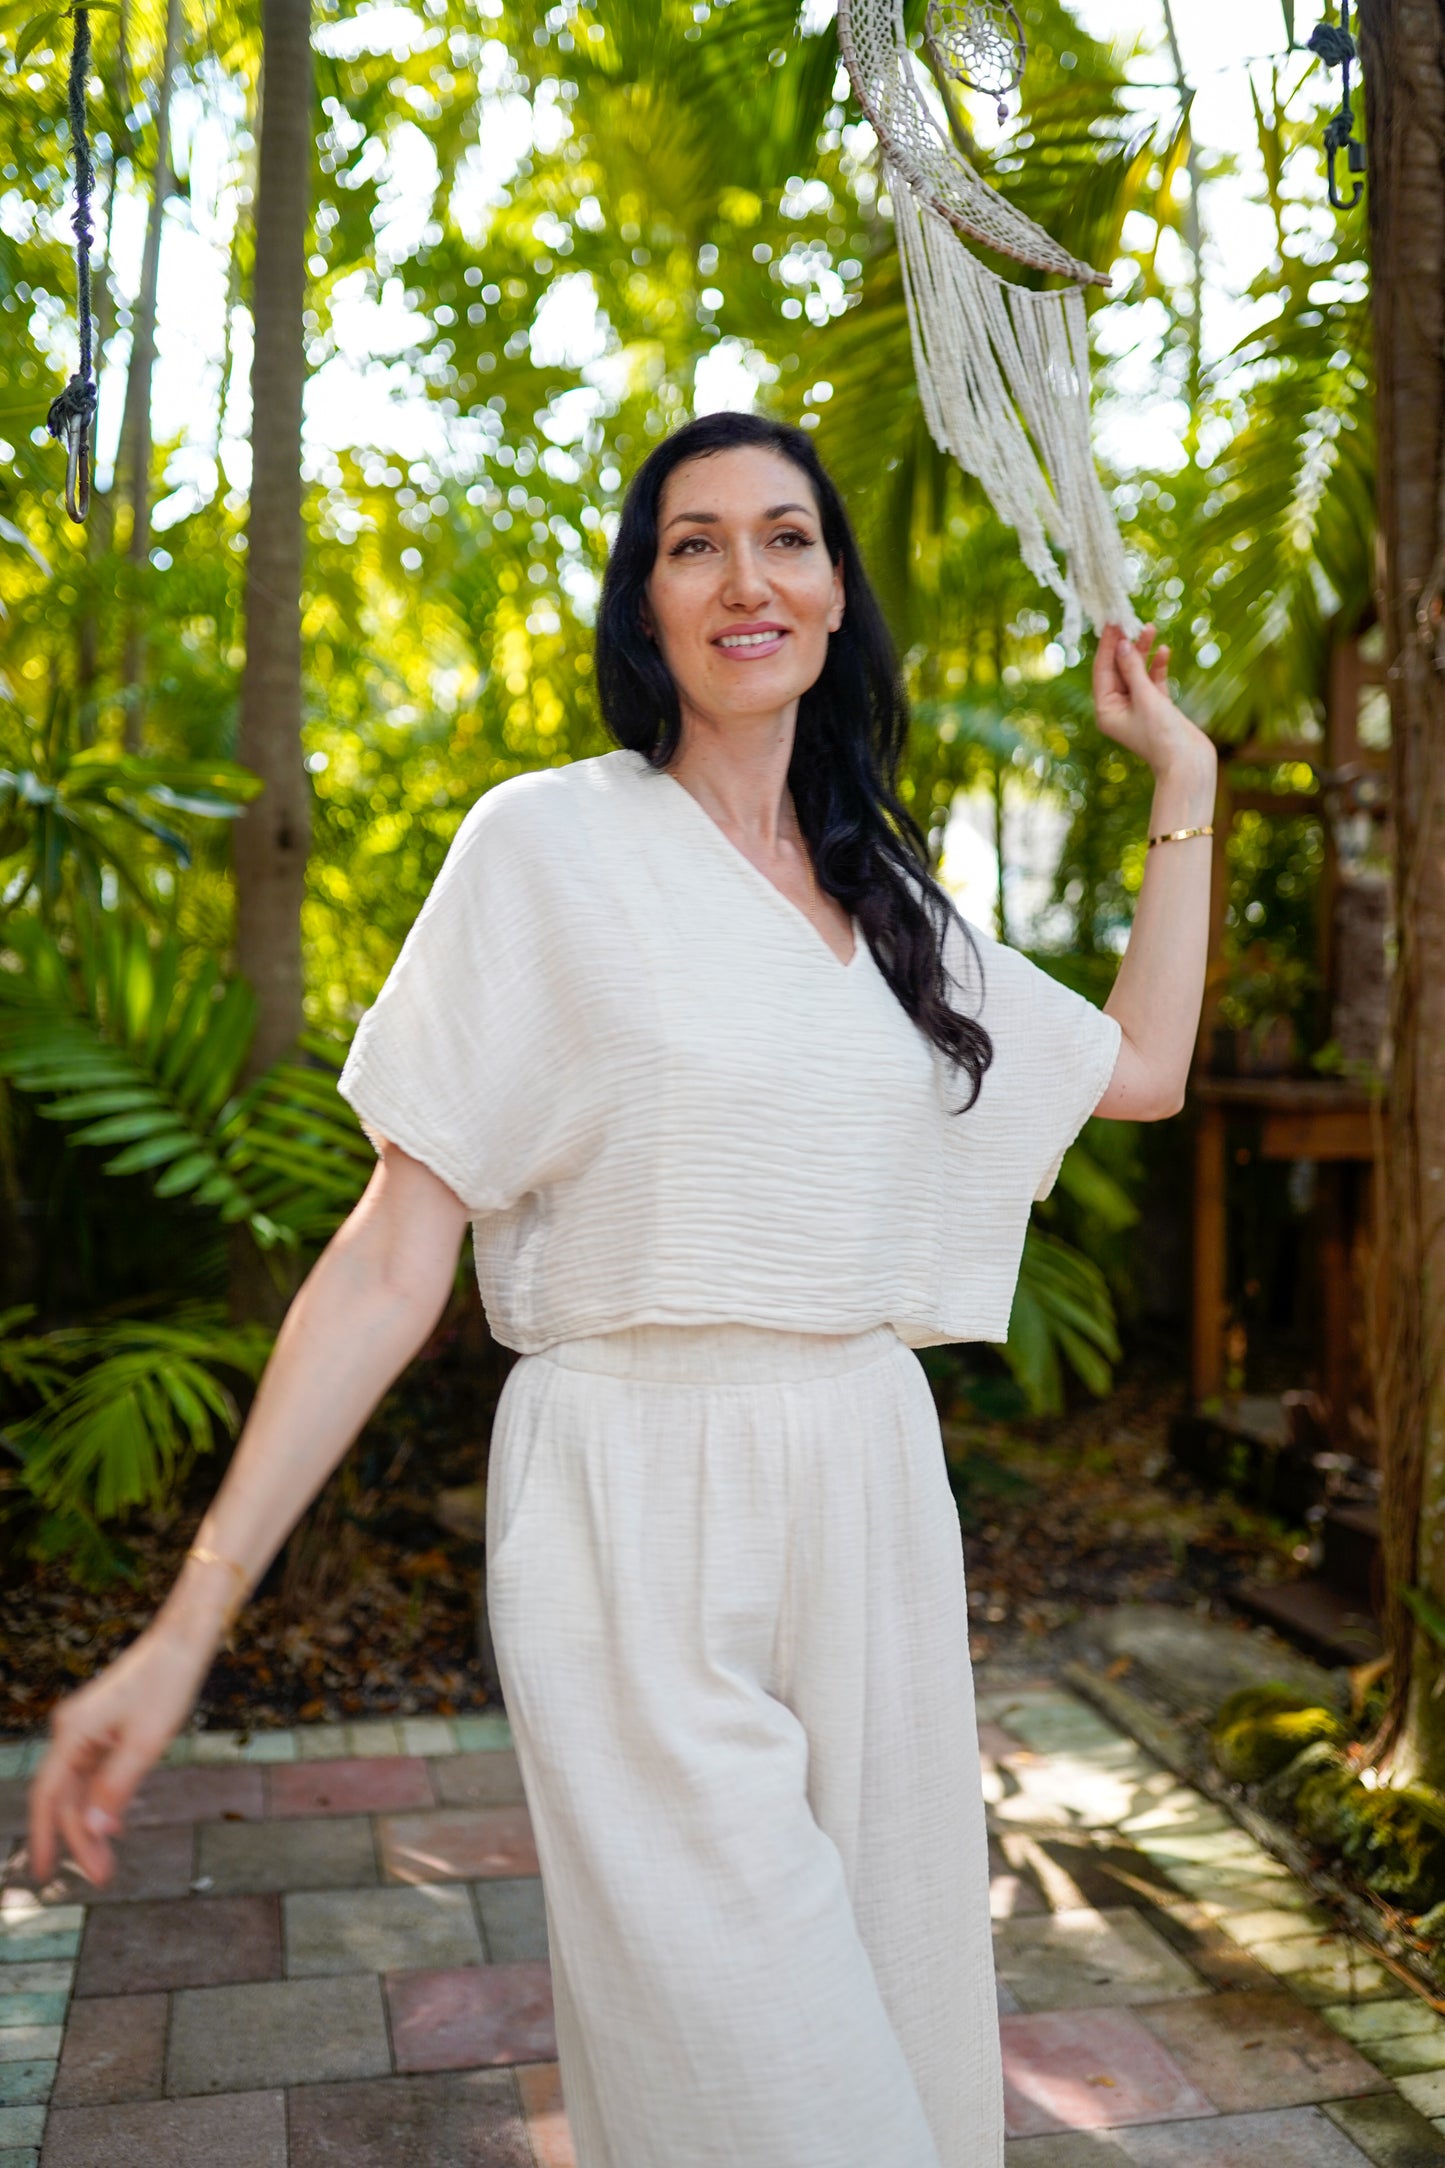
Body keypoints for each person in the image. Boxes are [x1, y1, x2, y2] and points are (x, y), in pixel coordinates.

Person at [28, 411, 1215, 2166]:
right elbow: (391, 1254)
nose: (746, 576)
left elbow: (1140, 1070)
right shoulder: (547, 847)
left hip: (870, 1486)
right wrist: (188, 1618)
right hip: (628, 1497)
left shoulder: (886, 902)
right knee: (775, 2094)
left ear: (837, 594)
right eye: (693, 542)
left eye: (787, 536)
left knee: (902, 2040)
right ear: (644, 603)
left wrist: (1181, 782)